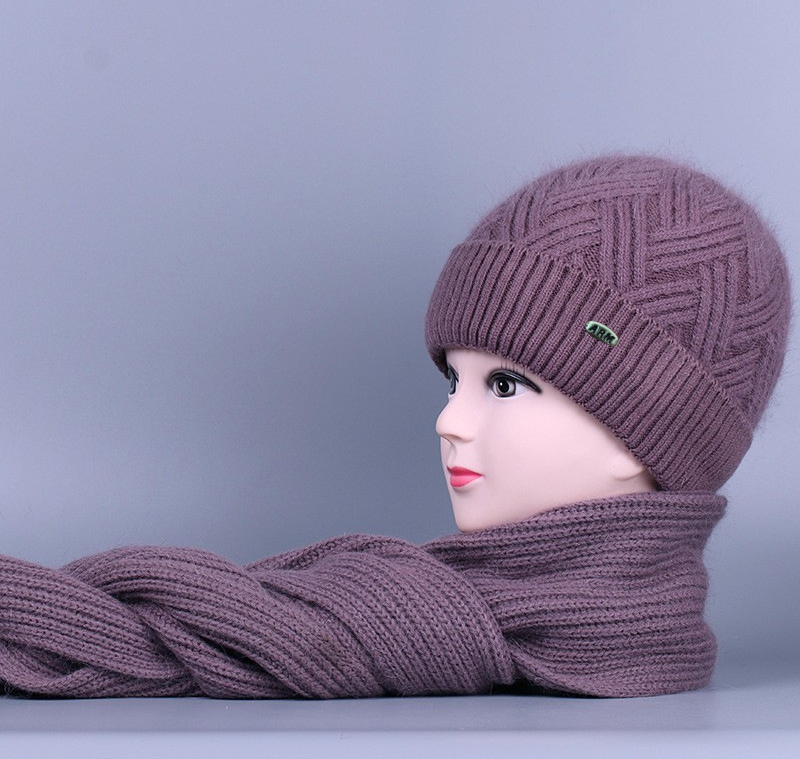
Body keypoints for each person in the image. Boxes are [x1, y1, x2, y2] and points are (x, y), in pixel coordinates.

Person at [0, 153, 792, 700]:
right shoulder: (403, 608)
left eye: (506, 385)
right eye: (455, 379)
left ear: (646, 430)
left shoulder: (402, 615)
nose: (450, 420)